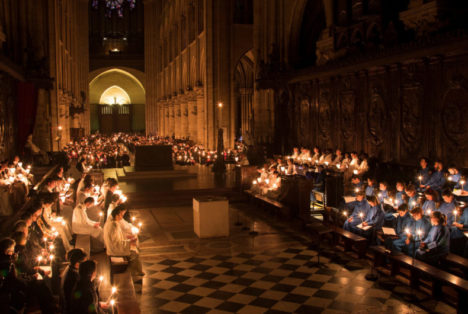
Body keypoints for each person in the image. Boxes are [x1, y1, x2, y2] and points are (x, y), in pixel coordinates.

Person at [103, 206, 143, 277]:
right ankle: (133, 274)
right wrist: (129, 242)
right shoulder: (113, 226)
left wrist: (128, 238)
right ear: (116, 215)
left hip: (115, 246)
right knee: (134, 253)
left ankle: (134, 271)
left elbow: (117, 238)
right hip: (114, 250)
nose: (122, 217)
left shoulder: (113, 222)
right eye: (121, 215)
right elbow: (116, 243)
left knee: (133, 248)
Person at [61, 248, 88, 314]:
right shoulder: (73, 277)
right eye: (84, 263)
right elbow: (78, 299)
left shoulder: (70, 268)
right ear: (77, 264)